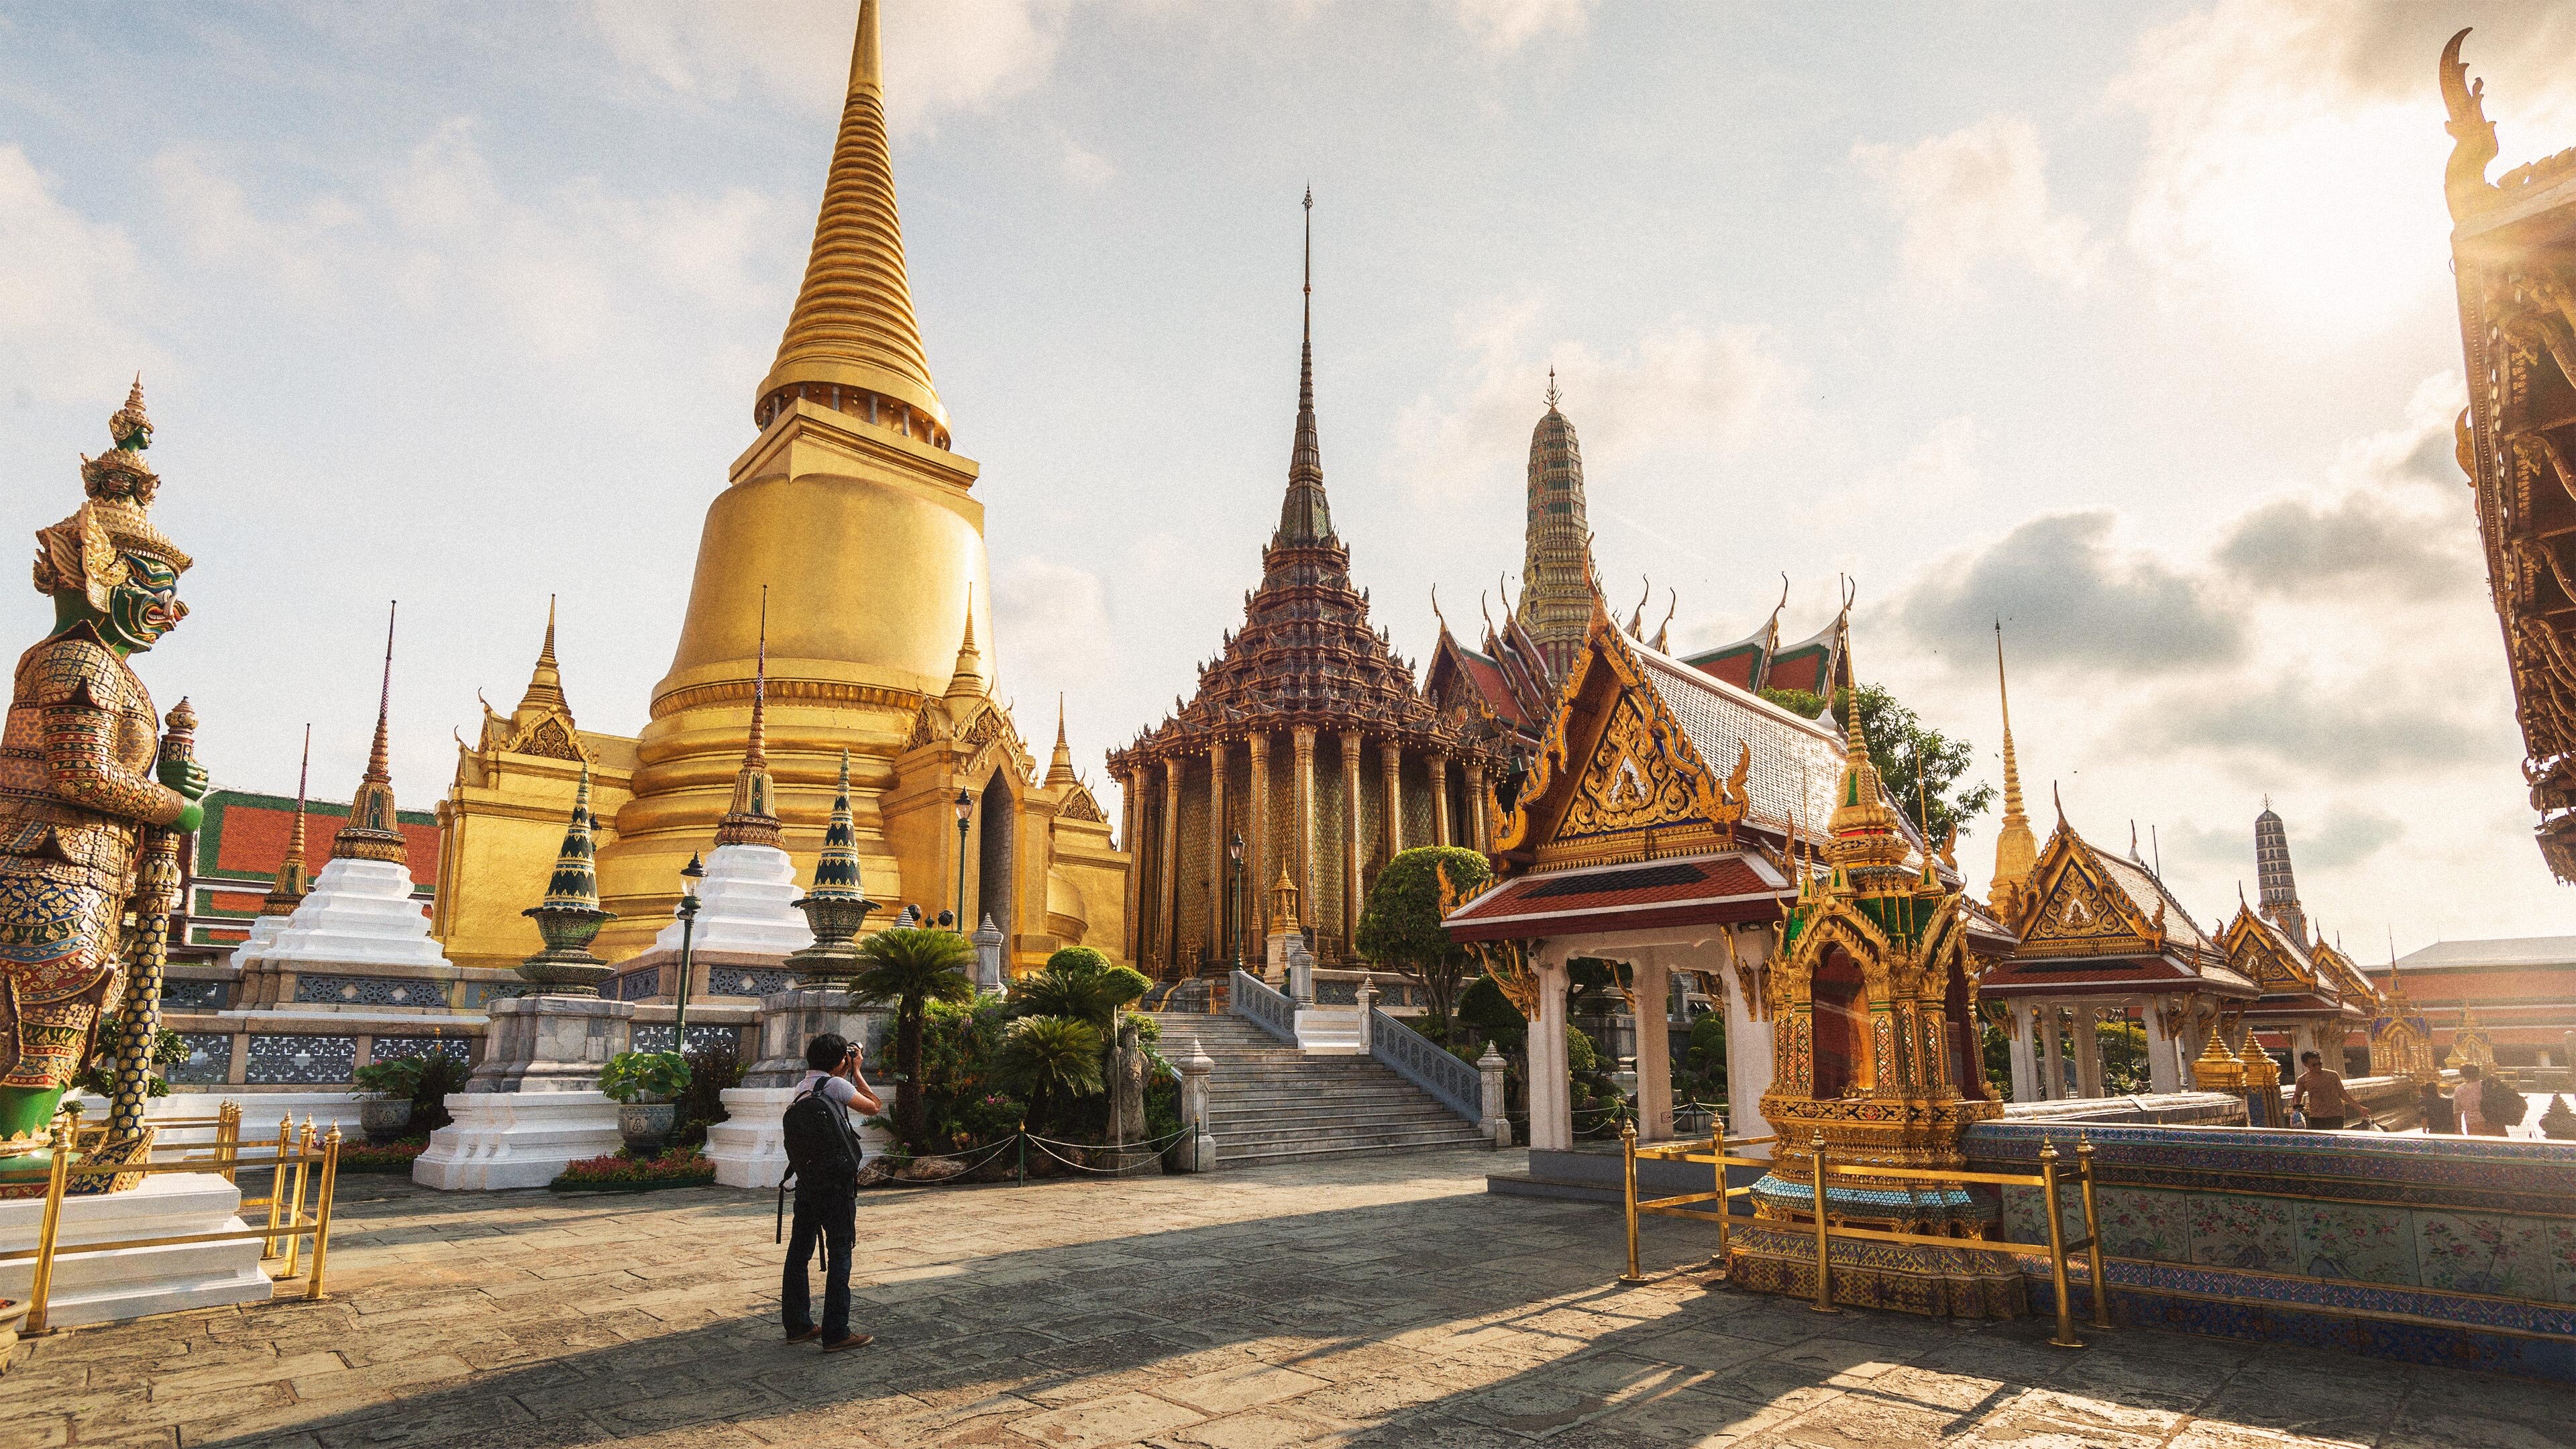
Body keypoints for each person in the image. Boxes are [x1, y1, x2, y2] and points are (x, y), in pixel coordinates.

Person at [782, 1032, 881, 1351]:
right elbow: (874, 1108)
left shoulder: (802, 1088)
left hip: (807, 1182)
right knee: (841, 1251)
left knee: (799, 1252)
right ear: (841, 1060)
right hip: (837, 1186)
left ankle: (798, 1325)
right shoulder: (837, 1085)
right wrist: (857, 1071)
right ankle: (836, 1332)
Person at [2291, 1051, 2356, 1130]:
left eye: (2320, 1064)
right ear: (2306, 1065)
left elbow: (2343, 1094)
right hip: (2317, 1116)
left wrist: (2360, 1108)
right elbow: (2297, 1095)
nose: (2318, 1067)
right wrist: (2296, 1108)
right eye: (2314, 1065)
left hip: (2336, 1115)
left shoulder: (2332, 1075)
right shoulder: (2303, 1080)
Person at [2456, 1063, 2512, 1137]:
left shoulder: (2459, 1090)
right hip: (2494, 1122)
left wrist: (2458, 1129)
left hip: (2474, 1125)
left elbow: (2457, 1111)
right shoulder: (2488, 1085)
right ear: (2478, 1073)